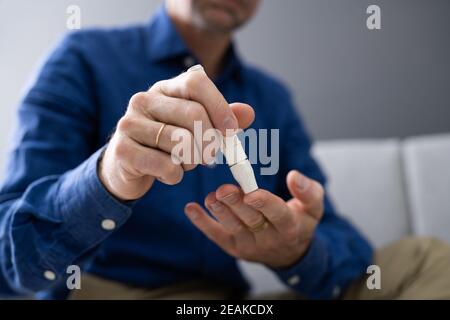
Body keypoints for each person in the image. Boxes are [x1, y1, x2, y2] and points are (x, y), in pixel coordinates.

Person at [0, 0, 449, 300]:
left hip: (225, 303)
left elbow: (339, 238)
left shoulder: (270, 96)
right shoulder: (82, 59)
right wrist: (109, 176)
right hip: (112, 291)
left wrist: (295, 251)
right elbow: (9, 261)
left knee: (425, 259)